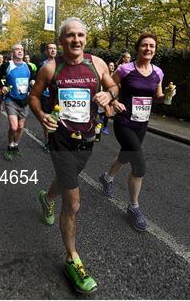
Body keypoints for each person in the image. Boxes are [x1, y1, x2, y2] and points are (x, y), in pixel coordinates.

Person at [30, 18, 118, 294]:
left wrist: (109, 96)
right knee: (75, 202)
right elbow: (34, 97)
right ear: (61, 40)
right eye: (70, 35)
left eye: (80, 35)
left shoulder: (98, 64)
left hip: (88, 139)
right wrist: (42, 115)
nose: (76, 40)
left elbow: (113, 87)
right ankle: (73, 259)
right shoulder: (51, 67)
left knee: (66, 180)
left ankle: (47, 197)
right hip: (61, 140)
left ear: (86, 38)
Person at [98, 33, 175, 232]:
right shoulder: (125, 69)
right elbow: (110, 88)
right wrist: (114, 102)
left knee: (125, 156)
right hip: (124, 122)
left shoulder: (158, 72)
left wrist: (166, 95)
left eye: (152, 46)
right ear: (137, 48)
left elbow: (157, 97)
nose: (148, 49)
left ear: (155, 50)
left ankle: (106, 177)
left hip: (142, 123)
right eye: (144, 45)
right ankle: (134, 207)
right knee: (139, 166)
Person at [0, 43, 36, 160]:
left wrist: (33, 81)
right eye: (17, 49)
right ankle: (9, 145)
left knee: (20, 126)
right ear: (13, 52)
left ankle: (15, 145)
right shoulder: (8, 65)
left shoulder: (27, 66)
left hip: (24, 100)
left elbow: (33, 77)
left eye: (21, 49)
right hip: (11, 99)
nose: (20, 51)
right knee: (13, 127)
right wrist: (2, 87)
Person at [39, 43, 58, 153]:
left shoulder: (61, 64)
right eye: (51, 48)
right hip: (46, 96)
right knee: (47, 120)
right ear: (47, 51)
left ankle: (56, 141)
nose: (53, 50)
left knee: (57, 120)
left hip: (57, 97)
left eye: (55, 48)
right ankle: (47, 142)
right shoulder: (43, 64)